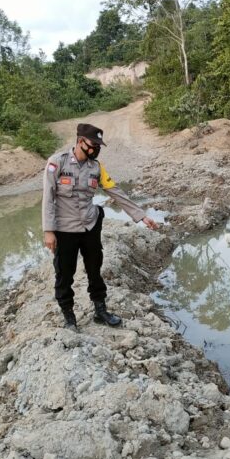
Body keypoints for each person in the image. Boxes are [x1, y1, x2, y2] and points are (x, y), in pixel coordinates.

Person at [42, 123, 157, 330]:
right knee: (65, 274)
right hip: (65, 229)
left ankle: (100, 309)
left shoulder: (97, 168)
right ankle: (69, 317)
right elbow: (47, 198)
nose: (96, 149)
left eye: (99, 145)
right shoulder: (56, 163)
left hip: (90, 226)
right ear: (80, 141)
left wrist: (140, 216)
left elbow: (115, 191)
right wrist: (48, 231)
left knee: (95, 269)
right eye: (93, 144)